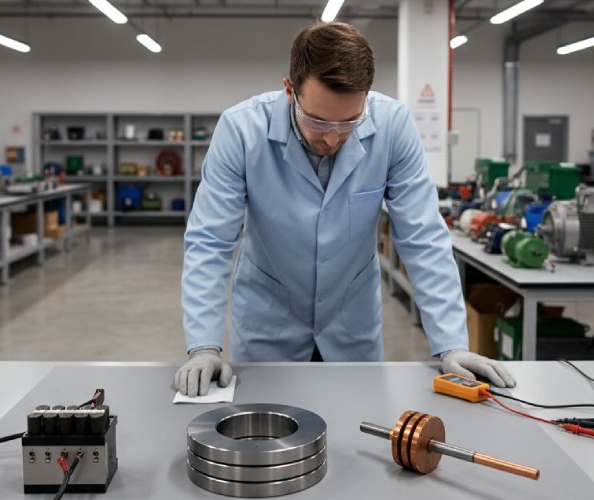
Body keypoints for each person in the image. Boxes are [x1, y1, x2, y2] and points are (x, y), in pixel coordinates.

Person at [174, 21, 515, 397]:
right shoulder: (241, 130)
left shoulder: (392, 126)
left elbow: (423, 237)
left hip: (351, 326)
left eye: (350, 121)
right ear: (289, 91)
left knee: (356, 422)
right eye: (317, 121)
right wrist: (204, 346)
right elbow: (210, 241)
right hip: (268, 324)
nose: (333, 137)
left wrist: (452, 344)